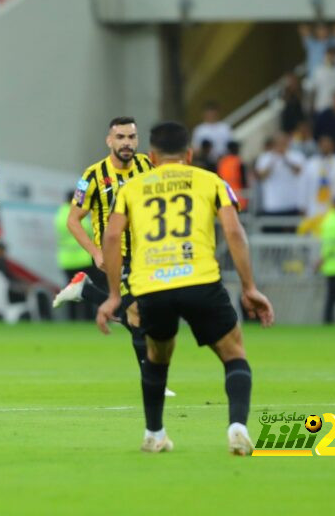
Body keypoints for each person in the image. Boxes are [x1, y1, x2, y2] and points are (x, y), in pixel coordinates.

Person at [97, 122, 274, 454]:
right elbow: (235, 233)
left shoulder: (132, 188)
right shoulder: (211, 181)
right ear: (189, 155)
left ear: (152, 156)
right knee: (234, 353)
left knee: (157, 357)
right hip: (200, 281)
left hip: (152, 286)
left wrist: (114, 296)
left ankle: (155, 433)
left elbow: (110, 236)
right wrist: (250, 287)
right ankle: (237, 427)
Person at [52, 117, 175, 396]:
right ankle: (153, 379)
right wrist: (95, 252)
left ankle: (86, 291)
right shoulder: (93, 175)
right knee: (135, 312)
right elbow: (74, 219)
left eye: (131, 137)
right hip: (116, 255)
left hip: (149, 254)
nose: (126, 143)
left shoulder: (147, 166)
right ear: (110, 140)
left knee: (147, 315)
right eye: (120, 137)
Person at [54, 191, 97, 321]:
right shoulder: (76, 214)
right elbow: (88, 230)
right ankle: (88, 318)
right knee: (86, 290)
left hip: (66, 260)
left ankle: (72, 319)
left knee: (71, 291)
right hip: (82, 258)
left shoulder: (60, 214)